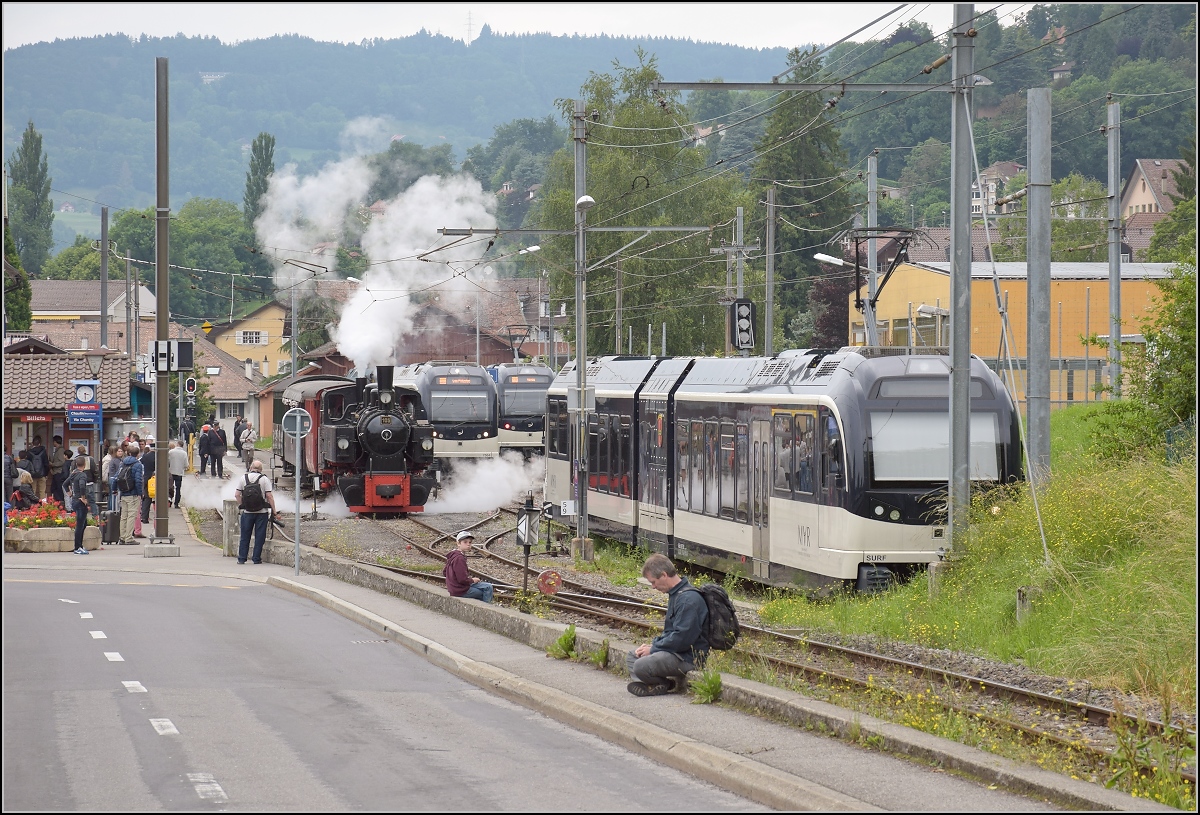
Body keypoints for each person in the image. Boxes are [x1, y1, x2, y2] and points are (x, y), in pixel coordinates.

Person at [626, 554, 709, 697]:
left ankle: (661, 684)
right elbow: (670, 632)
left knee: (640, 665)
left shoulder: (688, 600)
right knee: (632, 656)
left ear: (664, 575)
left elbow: (682, 639)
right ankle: (658, 684)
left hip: (687, 658)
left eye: (653, 582)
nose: (653, 587)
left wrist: (654, 649)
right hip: (675, 652)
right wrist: (652, 645)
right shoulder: (676, 595)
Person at [235, 459, 277, 564]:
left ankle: (241, 558)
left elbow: (237, 495)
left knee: (245, 536)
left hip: (247, 512)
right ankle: (256, 558)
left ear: (250, 468)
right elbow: (269, 496)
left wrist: (242, 505)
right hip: (261, 512)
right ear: (261, 469)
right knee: (260, 536)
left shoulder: (243, 478)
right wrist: (274, 510)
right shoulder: (264, 479)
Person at [442, 531, 494, 603]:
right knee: (486, 590)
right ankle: (487, 609)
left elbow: (445, 572)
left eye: (470, 542)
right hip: (460, 590)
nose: (468, 544)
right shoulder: (459, 558)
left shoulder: (453, 555)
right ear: (458, 543)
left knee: (487, 586)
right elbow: (462, 580)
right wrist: (472, 580)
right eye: (465, 542)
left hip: (455, 588)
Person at [65, 456, 96, 555]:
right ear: (85, 464)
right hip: (80, 501)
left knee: (84, 523)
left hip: (74, 500)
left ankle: (80, 545)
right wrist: (83, 497)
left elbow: (65, 484)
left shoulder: (73, 473)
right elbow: (82, 486)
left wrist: (70, 493)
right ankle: (77, 547)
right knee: (80, 525)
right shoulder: (82, 475)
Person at [116, 442, 144, 545]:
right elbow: (138, 481)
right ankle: (129, 538)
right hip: (133, 494)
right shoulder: (137, 465)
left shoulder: (122, 463)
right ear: (137, 454)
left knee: (124, 516)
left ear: (128, 453)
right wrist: (140, 493)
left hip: (123, 493)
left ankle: (122, 537)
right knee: (132, 516)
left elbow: (116, 477)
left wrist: (115, 489)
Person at [139, 439, 156, 530]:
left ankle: (144, 517)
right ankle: (158, 518)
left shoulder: (145, 456)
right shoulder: (160, 457)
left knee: (147, 498)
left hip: (146, 479)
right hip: (157, 480)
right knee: (158, 500)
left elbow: (140, 463)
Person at [167, 439, 188, 508]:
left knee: (169, 487)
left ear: (177, 444)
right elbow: (186, 465)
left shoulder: (171, 452)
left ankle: (169, 500)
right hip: (179, 473)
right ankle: (176, 503)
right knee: (178, 488)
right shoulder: (184, 453)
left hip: (171, 472)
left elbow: (168, 462)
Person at [49, 435, 69, 505]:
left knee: (58, 488)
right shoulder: (58, 450)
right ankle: (58, 502)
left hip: (59, 472)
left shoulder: (60, 450)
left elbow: (62, 461)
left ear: (55, 442)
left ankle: (61, 502)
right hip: (56, 472)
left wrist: (53, 464)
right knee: (54, 488)